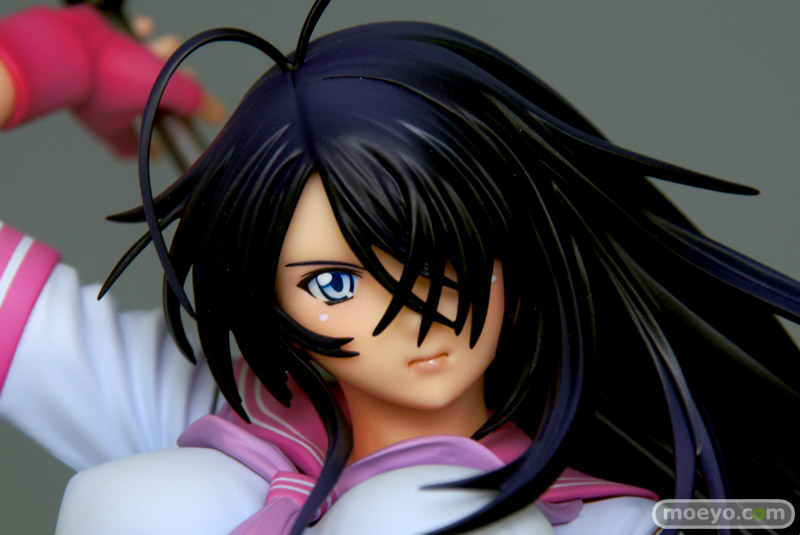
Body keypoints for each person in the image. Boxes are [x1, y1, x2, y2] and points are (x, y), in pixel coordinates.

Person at [1, 2, 798, 534]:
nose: (413, 318)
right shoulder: (208, 406)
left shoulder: (596, 512)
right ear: (269, 295)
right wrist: (49, 59)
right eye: (334, 284)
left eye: (441, 257)